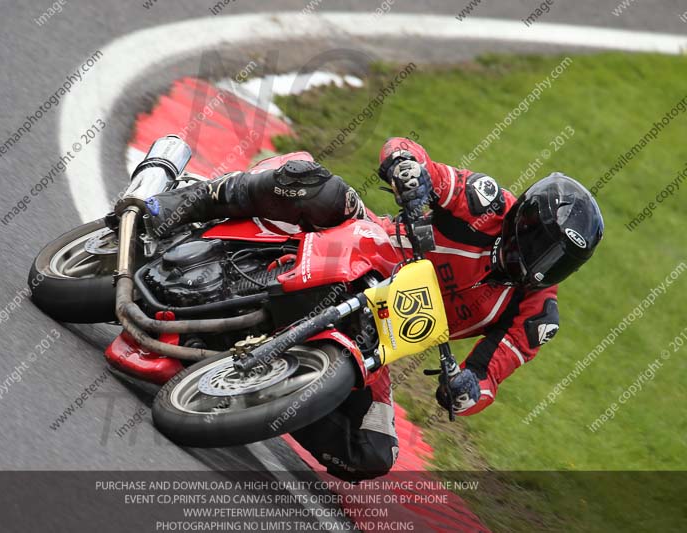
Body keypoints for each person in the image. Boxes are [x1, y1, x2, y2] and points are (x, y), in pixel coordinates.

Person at [146, 137, 604, 481]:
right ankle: (179, 204)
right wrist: (408, 169)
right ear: (524, 218)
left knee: (372, 454)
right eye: (544, 247)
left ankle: (249, 395)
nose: (541, 265)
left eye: (559, 261)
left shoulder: (536, 315)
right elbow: (410, 153)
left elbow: (487, 380)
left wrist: (465, 391)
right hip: (364, 246)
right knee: (319, 187)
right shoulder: (486, 203)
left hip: (377, 338)